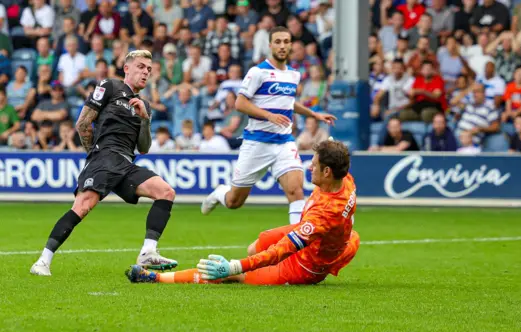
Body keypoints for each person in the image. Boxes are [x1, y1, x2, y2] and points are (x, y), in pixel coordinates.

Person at [126, 140, 359, 286]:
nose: (309, 166)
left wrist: (235, 266)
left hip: (305, 266)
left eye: (315, 164)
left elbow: (281, 251)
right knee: (255, 246)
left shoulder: (324, 214)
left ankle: (154, 278)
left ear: (327, 171)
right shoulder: (345, 179)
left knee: (232, 275)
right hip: (321, 241)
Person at [30, 50, 178, 277]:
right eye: (140, 66)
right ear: (126, 68)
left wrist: (145, 120)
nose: (145, 72)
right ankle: (42, 261)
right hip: (105, 157)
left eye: (149, 69)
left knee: (165, 192)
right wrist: (95, 155)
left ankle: (148, 252)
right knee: (82, 207)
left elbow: (145, 148)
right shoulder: (110, 86)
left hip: (127, 163)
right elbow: (82, 124)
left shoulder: (144, 105)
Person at [200, 27, 336, 225]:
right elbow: (240, 103)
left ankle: (297, 245)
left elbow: (288, 101)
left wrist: (313, 113)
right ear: (270, 45)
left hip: (284, 142)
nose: (282, 46)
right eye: (278, 42)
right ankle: (220, 193)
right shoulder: (258, 72)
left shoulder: (293, 75)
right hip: (257, 142)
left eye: (286, 42)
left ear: (290, 45)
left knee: (296, 191)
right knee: (234, 201)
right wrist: (269, 116)